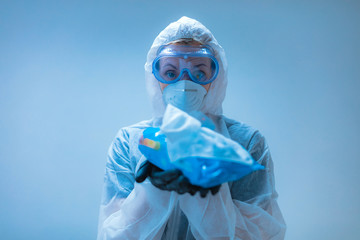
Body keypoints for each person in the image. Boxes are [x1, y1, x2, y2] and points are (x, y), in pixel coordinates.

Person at [97, 16, 286, 240]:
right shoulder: (130, 142)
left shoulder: (247, 143)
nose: (185, 84)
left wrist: (207, 190)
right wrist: (153, 186)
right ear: (154, 78)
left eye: (198, 73)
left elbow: (261, 235)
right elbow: (114, 235)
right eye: (170, 73)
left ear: (216, 78)